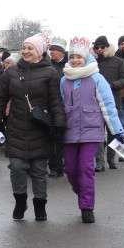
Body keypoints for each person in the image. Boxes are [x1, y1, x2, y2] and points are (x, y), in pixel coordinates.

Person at [0, 35, 66, 222]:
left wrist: (59, 123)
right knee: (16, 167)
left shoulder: (50, 73)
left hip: (40, 127)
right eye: (24, 47)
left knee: (39, 169)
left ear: (39, 51)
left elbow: (56, 100)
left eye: (30, 48)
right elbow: (0, 98)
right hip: (16, 126)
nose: (25, 51)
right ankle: (20, 201)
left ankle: (40, 204)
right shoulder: (11, 72)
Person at [60, 37, 124, 223]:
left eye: (79, 57)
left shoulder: (97, 79)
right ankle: (82, 193)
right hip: (70, 131)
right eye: (72, 57)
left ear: (86, 58)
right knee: (71, 170)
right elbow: (59, 105)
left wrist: (117, 130)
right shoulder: (64, 80)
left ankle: (87, 207)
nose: (75, 60)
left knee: (86, 169)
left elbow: (108, 106)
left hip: (91, 131)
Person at [91, 35, 124, 171]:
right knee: (98, 133)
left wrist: (111, 86)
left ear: (107, 47)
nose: (100, 50)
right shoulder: (91, 63)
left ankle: (111, 158)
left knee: (114, 132)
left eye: (102, 47)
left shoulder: (118, 61)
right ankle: (99, 161)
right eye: (97, 47)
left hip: (114, 101)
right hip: (95, 104)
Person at [46, 41, 68, 177]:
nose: (51, 52)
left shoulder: (69, 65)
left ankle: (68, 163)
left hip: (69, 105)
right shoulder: (48, 66)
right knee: (54, 138)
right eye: (50, 50)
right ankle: (55, 167)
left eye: (53, 50)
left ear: (61, 52)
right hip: (53, 105)